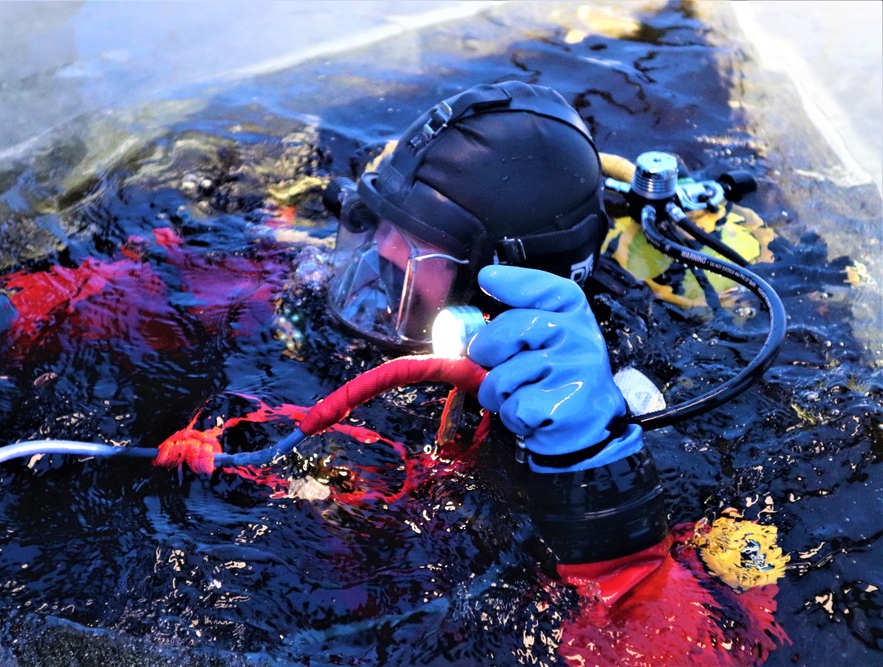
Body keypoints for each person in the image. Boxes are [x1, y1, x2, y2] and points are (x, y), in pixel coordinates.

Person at [322, 80, 790, 666]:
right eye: (381, 224)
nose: (386, 255)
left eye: (418, 248)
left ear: (501, 287)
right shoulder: (376, 305)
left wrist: (599, 490)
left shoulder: (616, 403)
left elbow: (692, 644)